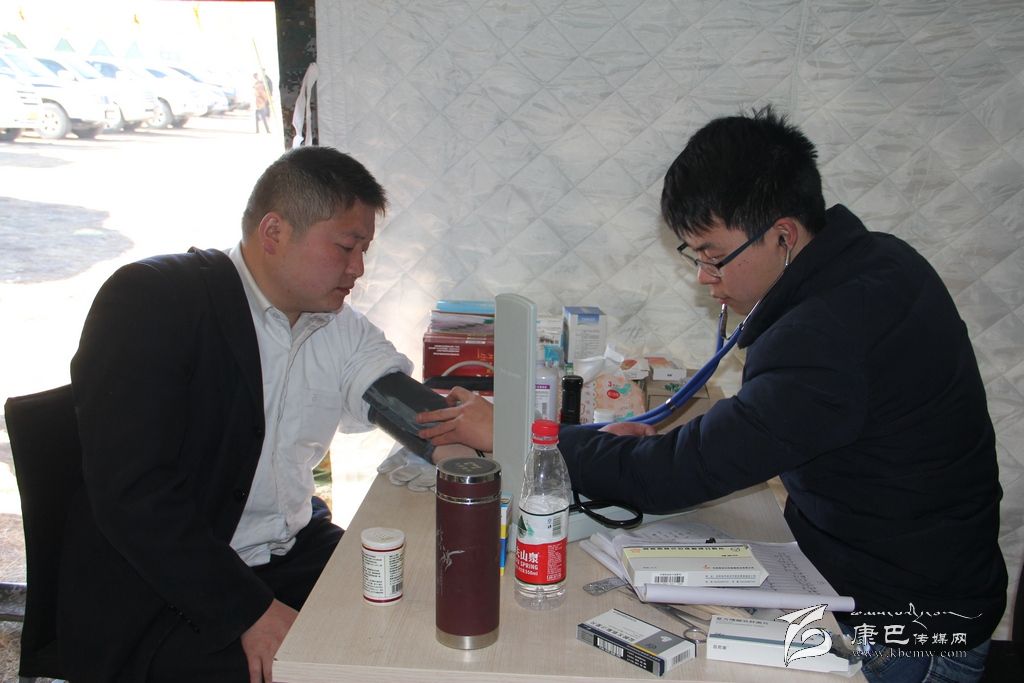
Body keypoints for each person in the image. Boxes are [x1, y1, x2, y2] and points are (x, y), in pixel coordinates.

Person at [418, 107, 1007, 682]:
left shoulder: (828, 330)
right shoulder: (879, 261)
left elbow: (680, 474)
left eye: (714, 256)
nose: (704, 277)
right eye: (695, 256)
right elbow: (771, 419)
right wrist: (643, 444)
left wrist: (520, 439)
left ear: (783, 236)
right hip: (893, 576)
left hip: (903, 632)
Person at [63, 147, 453, 682]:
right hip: (168, 584)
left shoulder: (334, 324)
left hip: (285, 551)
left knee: (419, 612)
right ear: (274, 232)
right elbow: (133, 495)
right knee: (328, 669)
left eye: (365, 249)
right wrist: (248, 611)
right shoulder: (155, 301)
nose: (358, 269)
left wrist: (458, 437)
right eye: (346, 247)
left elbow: (399, 401)